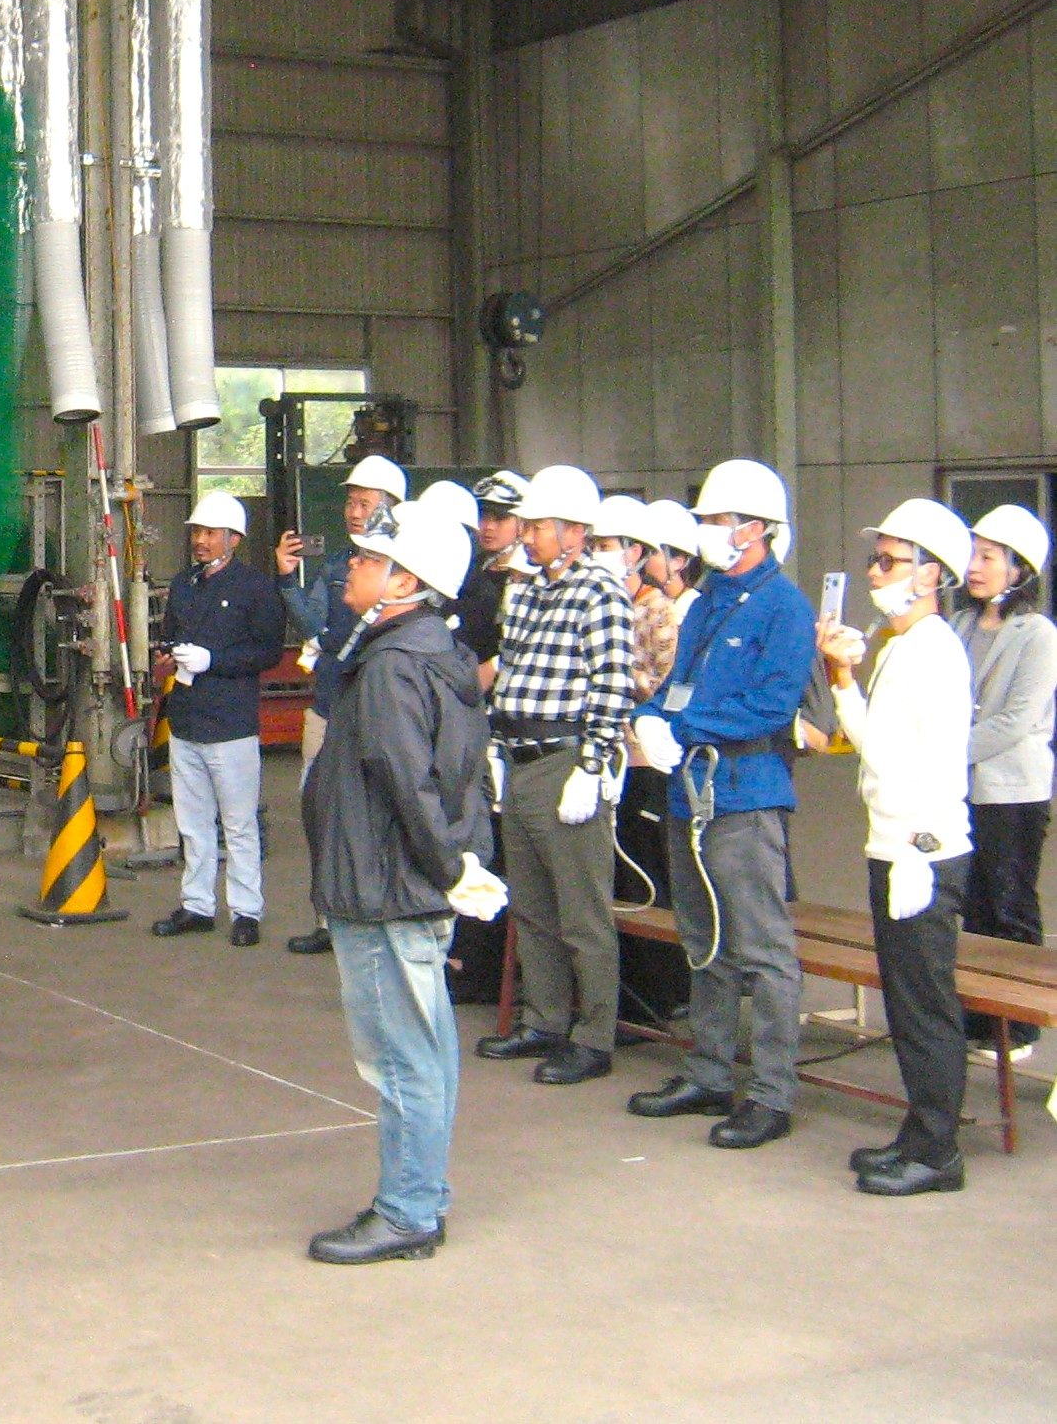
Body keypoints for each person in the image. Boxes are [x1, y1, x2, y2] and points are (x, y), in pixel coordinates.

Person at [300, 506, 502, 1265]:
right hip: (405, 882)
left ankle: (408, 1209)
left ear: (404, 581)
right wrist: (456, 864)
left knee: (398, 1054)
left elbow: (407, 781)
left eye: (367, 559)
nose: (352, 566)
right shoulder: (433, 649)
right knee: (427, 1043)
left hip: (385, 887)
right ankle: (421, 1194)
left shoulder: (390, 664)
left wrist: (450, 864)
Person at [623, 458, 816, 1150]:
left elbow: (769, 704)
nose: (706, 530)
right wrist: (650, 714)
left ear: (756, 528)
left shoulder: (785, 607)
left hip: (743, 792)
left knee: (763, 950)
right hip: (691, 790)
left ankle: (771, 1091)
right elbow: (679, 684)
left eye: (715, 519)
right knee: (703, 942)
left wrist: (679, 728)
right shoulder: (708, 602)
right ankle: (707, 1071)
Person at [817, 500, 976, 1196]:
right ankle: (920, 1130)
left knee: (925, 1003)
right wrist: (843, 677)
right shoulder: (901, 643)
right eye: (874, 559)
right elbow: (875, 742)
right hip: (896, 843)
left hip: (920, 849)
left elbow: (931, 760)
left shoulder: (934, 650)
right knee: (908, 1004)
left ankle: (938, 1149)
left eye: (891, 560)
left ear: (931, 573)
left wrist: (918, 844)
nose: (876, 572)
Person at [474, 463, 635, 1086]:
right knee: (534, 906)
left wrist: (593, 764)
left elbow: (612, 682)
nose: (529, 534)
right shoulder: (527, 588)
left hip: (565, 761)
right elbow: (510, 667)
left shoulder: (600, 590)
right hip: (519, 759)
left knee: (581, 912)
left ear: (574, 531)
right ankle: (543, 1020)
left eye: (539, 525)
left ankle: (593, 1036)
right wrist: (494, 740)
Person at [275, 452, 407, 954]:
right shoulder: (335, 567)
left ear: (392, 507)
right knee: (321, 814)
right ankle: (329, 921)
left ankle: (378, 918)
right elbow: (316, 628)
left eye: (365, 502)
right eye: (351, 501)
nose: (354, 511)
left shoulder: (403, 573)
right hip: (328, 710)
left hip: (376, 716)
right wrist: (288, 579)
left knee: (376, 819)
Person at [151, 493, 289, 946]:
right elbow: (170, 634)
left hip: (230, 721)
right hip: (187, 719)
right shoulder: (185, 584)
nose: (200, 541)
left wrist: (214, 660)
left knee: (238, 822)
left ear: (234, 538)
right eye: (196, 532)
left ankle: (246, 910)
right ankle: (197, 904)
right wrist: (168, 657)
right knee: (192, 821)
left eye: (210, 533)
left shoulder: (255, 588)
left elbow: (267, 651)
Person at [954, 504, 1056, 1051]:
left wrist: (947, 753)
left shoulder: (1038, 635)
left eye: (988, 556)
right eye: (973, 553)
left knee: (1009, 903)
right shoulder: (960, 623)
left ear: (1019, 569)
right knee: (970, 902)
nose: (974, 565)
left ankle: (1018, 1024)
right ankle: (977, 1014)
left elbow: (1016, 720)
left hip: (1013, 791)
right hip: (962, 788)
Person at [594, 496, 677, 702]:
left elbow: (662, 683)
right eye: (593, 547)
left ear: (633, 552)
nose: (595, 554)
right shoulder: (592, 602)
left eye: (604, 547)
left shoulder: (659, 609)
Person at [460, 470, 530, 690]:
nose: (488, 526)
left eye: (500, 518)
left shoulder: (530, 576)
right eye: (484, 516)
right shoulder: (468, 567)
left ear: (522, 523)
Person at [644, 499, 705, 635]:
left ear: (678, 562)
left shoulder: (694, 607)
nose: (642, 561)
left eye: (651, 553)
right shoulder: (642, 605)